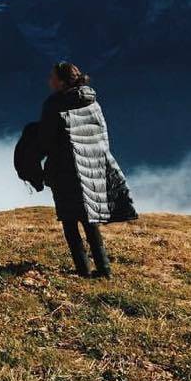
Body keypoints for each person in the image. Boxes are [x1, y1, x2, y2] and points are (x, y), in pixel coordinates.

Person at [37, 61, 137, 278]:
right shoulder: (93, 102)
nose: (49, 81)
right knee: (90, 219)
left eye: (52, 77)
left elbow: (45, 140)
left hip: (65, 170)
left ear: (61, 82)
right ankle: (105, 270)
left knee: (70, 221)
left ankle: (84, 270)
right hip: (92, 165)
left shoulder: (54, 105)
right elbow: (102, 135)